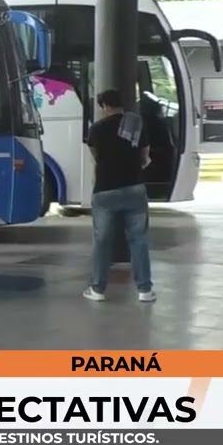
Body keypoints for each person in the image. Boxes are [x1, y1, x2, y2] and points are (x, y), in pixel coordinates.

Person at [84, 88, 155, 302]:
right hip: (134, 188)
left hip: (106, 191)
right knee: (139, 240)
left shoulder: (97, 129)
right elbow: (145, 156)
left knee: (102, 241)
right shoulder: (136, 124)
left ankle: (97, 290)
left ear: (104, 106)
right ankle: (145, 290)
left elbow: (96, 157)